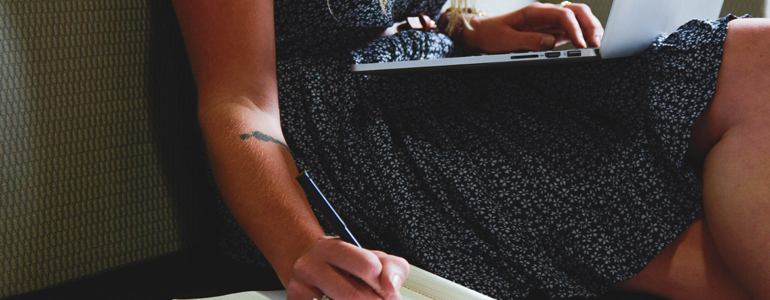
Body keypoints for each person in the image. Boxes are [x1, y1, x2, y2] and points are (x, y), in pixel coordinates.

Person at [171, 0, 770, 299]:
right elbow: (238, 99)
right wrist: (296, 245)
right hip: (337, 132)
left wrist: (478, 27)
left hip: (432, 74)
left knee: (757, 54)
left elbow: (415, 11)